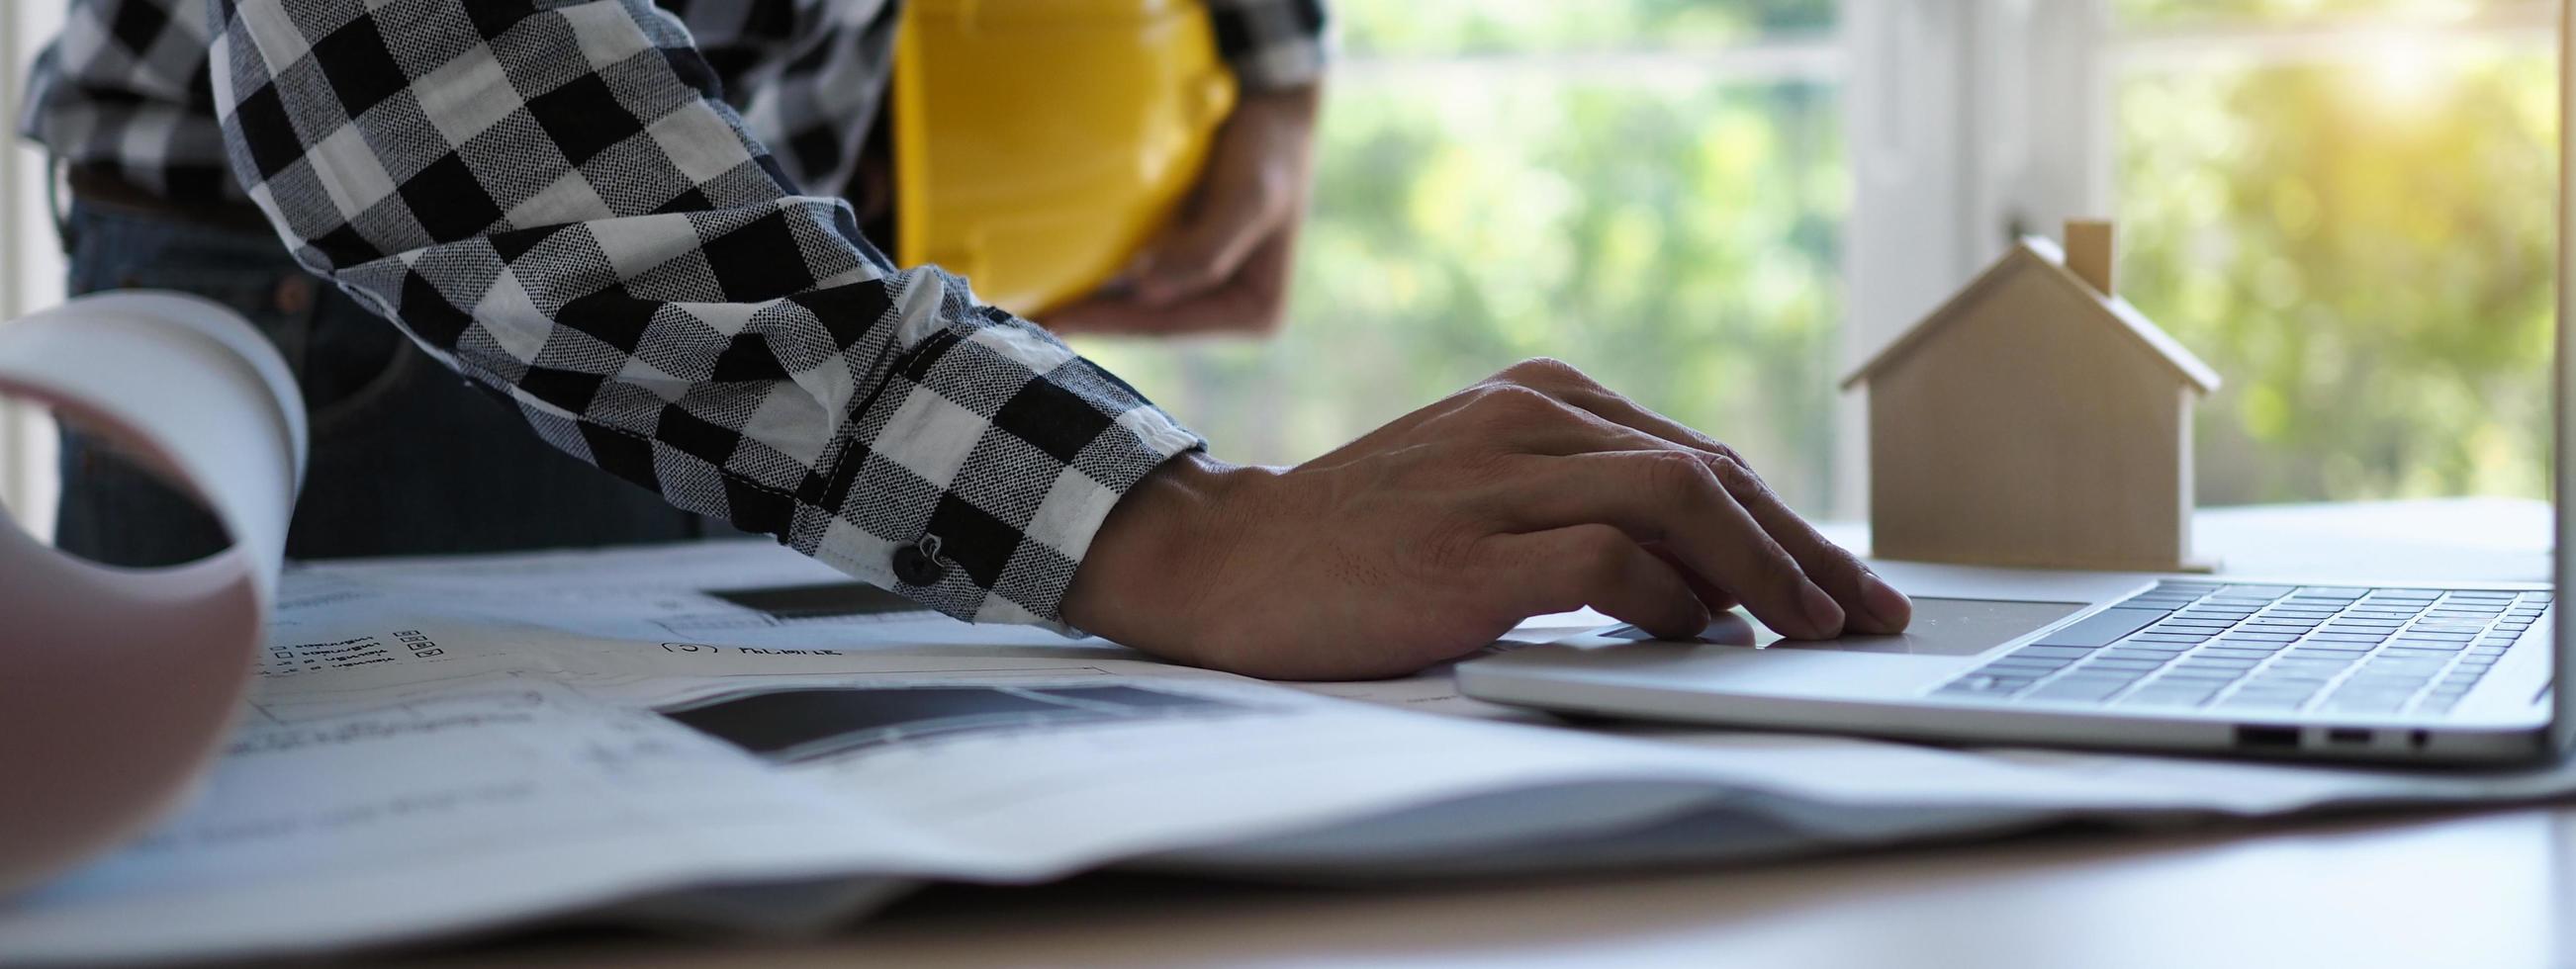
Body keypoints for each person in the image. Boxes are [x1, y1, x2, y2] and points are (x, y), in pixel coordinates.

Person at [20, 0, 1911, 680]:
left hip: (772, 234)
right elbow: (394, 46)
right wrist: (1171, 527)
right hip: (345, 301)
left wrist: (1268, 56)